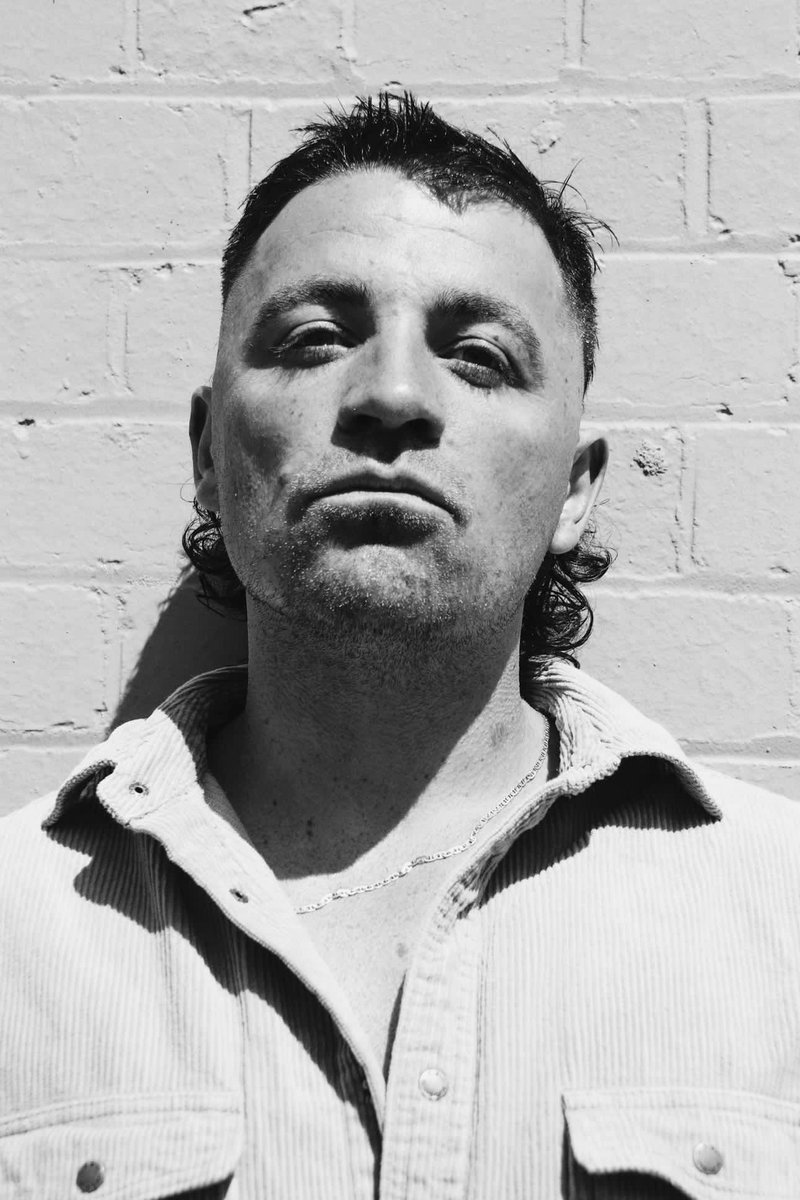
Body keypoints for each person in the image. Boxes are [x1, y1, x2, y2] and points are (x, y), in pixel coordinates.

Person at [2, 92, 799, 1199]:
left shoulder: (778, 911)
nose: (389, 396)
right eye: (315, 340)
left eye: (478, 356)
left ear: (574, 491)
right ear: (206, 454)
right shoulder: (21, 928)